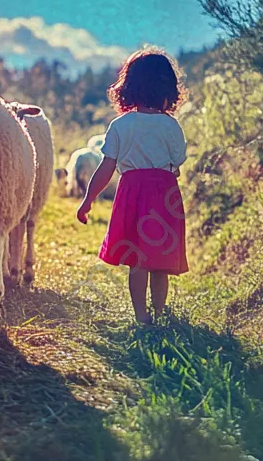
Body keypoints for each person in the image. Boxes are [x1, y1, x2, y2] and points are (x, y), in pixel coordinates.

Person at [76, 48, 189, 322]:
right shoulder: (171, 126)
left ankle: (142, 317)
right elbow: (177, 163)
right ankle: (160, 314)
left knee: (137, 261)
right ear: (168, 88)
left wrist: (88, 199)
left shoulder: (120, 125)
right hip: (163, 194)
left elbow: (106, 168)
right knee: (160, 262)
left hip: (131, 194)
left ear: (128, 87)